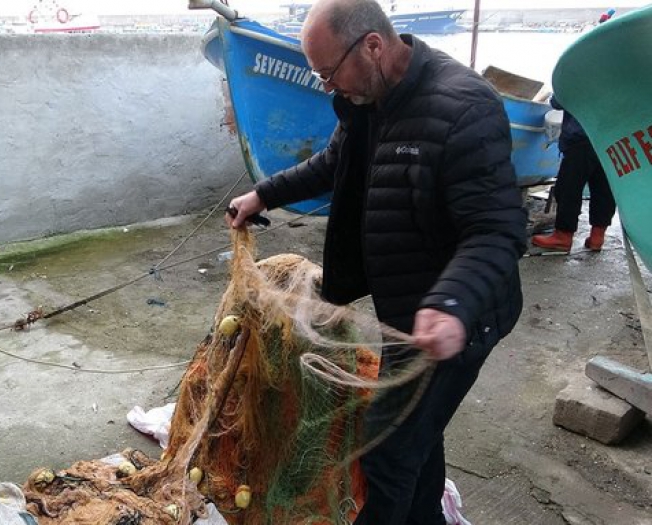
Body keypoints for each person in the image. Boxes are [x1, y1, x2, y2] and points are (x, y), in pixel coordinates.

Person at [227, 0, 527, 523]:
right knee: (417, 438)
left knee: (386, 451)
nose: (326, 87)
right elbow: (333, 163)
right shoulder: (368, 99)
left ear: (372, 45)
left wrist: (450, 305)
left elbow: (497, 230)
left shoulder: (464, 107)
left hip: (463, 316)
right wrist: (263, 195)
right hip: (403, 312)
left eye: (328, 72)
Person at [531, 14, 616, 253]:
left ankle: (563, 235)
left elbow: (559, 101)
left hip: (581, 136)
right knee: (603, 186)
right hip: (606, 137)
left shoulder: (583, 69)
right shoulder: (615, 69)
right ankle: (597, 236)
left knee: (569, 186)